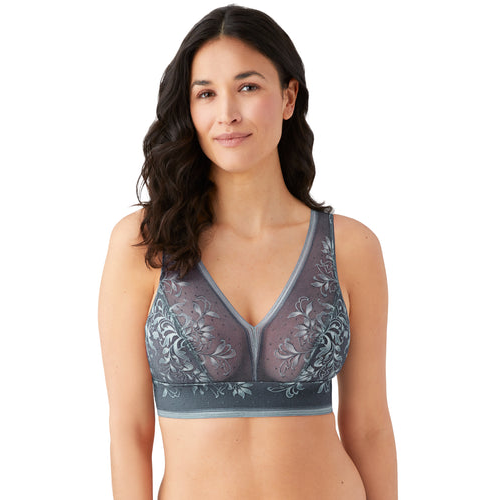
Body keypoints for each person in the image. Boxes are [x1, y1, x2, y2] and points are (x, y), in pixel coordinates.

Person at [98, 5, 397, 499]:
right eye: (206, 93)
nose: (227, 114)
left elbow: (369, 427)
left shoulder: (351, 247)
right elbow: (129, 432)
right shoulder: (146, 244)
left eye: (248, 87)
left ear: (288, 96)